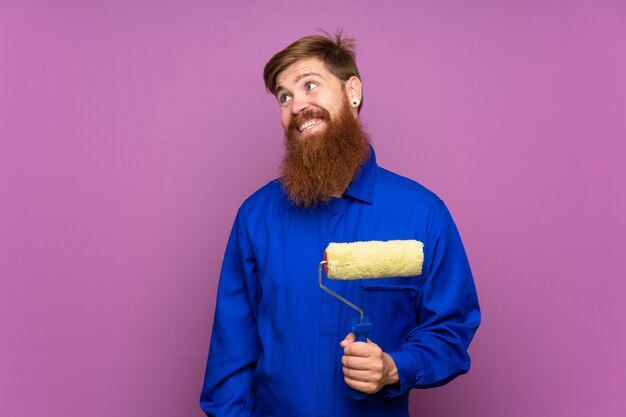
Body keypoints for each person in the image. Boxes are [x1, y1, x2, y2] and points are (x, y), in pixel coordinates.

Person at [200, 32, 480, 417]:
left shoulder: (423, 214)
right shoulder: (256, 217)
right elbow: (231, 353)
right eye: (284, 97)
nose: (297, 105)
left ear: (353, 91)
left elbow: (451, 331)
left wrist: (396, 367)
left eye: (309, 85)